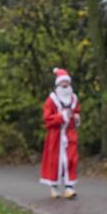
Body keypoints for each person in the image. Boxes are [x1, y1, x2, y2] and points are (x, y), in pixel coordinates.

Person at [40, 67, 80, 199]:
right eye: (63, 83)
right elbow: (47, 119)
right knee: (55, 161)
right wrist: (61, 116)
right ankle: (54, 186)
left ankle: (69, 187)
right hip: (56, 135)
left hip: (70, 134)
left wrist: (76, 118)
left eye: (67, 82)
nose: (65, 85)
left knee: (71, 159)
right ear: (58, 84)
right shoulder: (51, 100)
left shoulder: (74, 98)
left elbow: (77, 112)